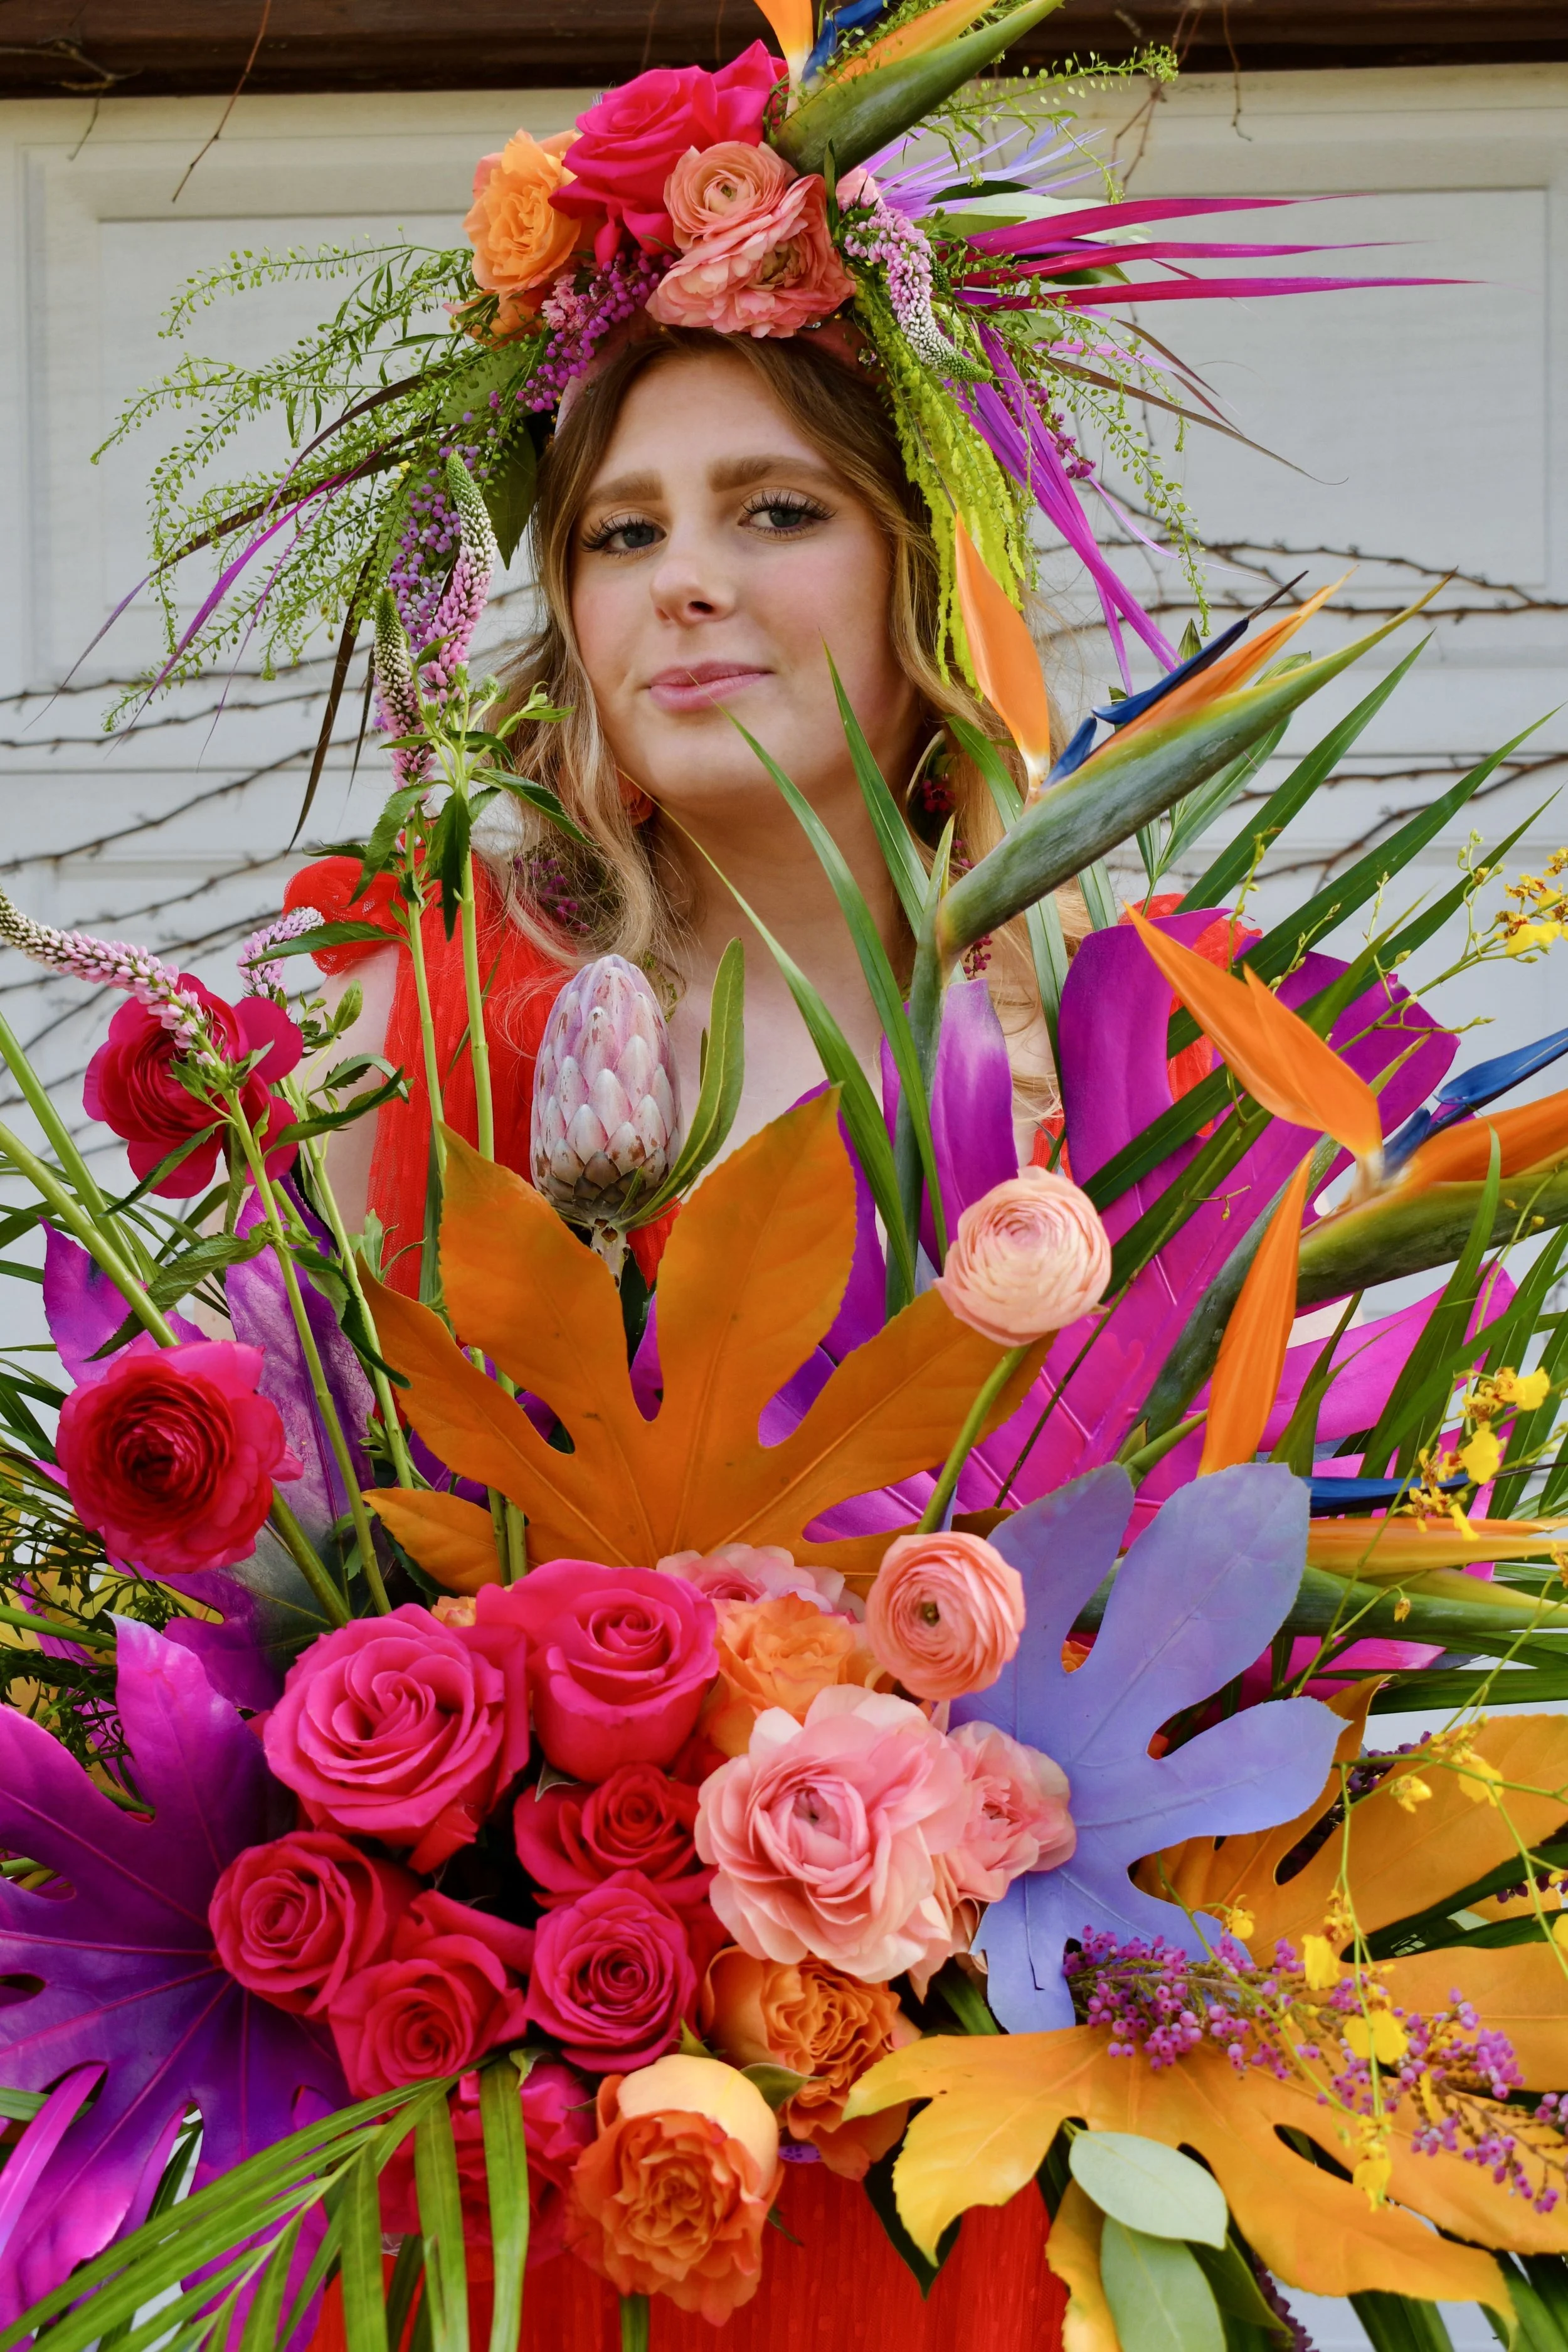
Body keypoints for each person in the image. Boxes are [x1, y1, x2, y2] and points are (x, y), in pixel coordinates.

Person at [288, 324, 1069, 1286]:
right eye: (625, 532)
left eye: (779, 512)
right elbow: (273, 1406)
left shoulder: (1140, 1025)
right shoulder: (419, 1003)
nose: (680, 581)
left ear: (936, 572)